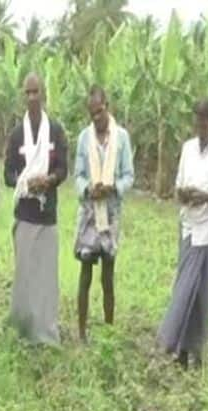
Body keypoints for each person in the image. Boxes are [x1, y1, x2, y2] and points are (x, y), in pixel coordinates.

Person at [157, 99, 208, 369]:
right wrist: (184, 194)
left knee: (202, 294)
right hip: (189, 227)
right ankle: (179, 349)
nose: (199, 128)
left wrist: (204, 196)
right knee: (185, 287)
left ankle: (197, 350)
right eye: (196, 122)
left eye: (204, 123)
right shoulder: (188, 149)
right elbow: (178, 186)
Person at [4, 72, 68, 345]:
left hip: (48, 214)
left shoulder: (55, 130)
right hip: (26, 215)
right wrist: (26, 183)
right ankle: (23, 329)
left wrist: (49, 181)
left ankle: (45, 331)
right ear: (23, 96)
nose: (32, 97)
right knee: (25, 275)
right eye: (27, 93)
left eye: (36, 92)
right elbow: (8, 175)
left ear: (43, 94)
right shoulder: (17, 135)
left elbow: (64, 168)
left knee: (46, 277)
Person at [73, 85, 134, 342]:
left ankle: (108, 329)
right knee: (85, 274)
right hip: (89, 213)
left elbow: (129, 176)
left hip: (110, 214)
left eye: (99, 112)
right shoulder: (83, 139)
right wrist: (88, 189)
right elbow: (77, 175)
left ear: (107, 107)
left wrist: (113, 188)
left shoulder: (121, 138)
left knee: (108, 275)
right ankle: (82, 332)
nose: (96, 118)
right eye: (92, 114)